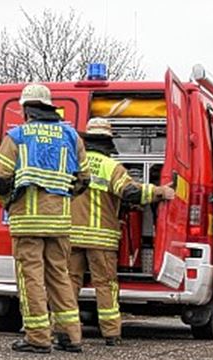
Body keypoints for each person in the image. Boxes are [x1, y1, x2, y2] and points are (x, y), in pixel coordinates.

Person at [0, 83, 90, 353]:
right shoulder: (71, 136)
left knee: (31, 276)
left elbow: (1, 178)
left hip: (27, 220)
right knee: (59, 274)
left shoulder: (18, 136)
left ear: (26, 109)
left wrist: (8, 200)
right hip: (59, 221)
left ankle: (37, 336)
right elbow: (84, 179)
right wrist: (64, 199)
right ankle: (71, 335)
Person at [69, 117, 175, 345]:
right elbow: (130, 193)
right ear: (108, 143)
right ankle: (111, 334)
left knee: (68, 284)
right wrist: (159, 192)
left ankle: (66, 332)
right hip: (102, 239)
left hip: (70, 236)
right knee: (105, 285)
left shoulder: (73, 163)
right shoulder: (111, 167)